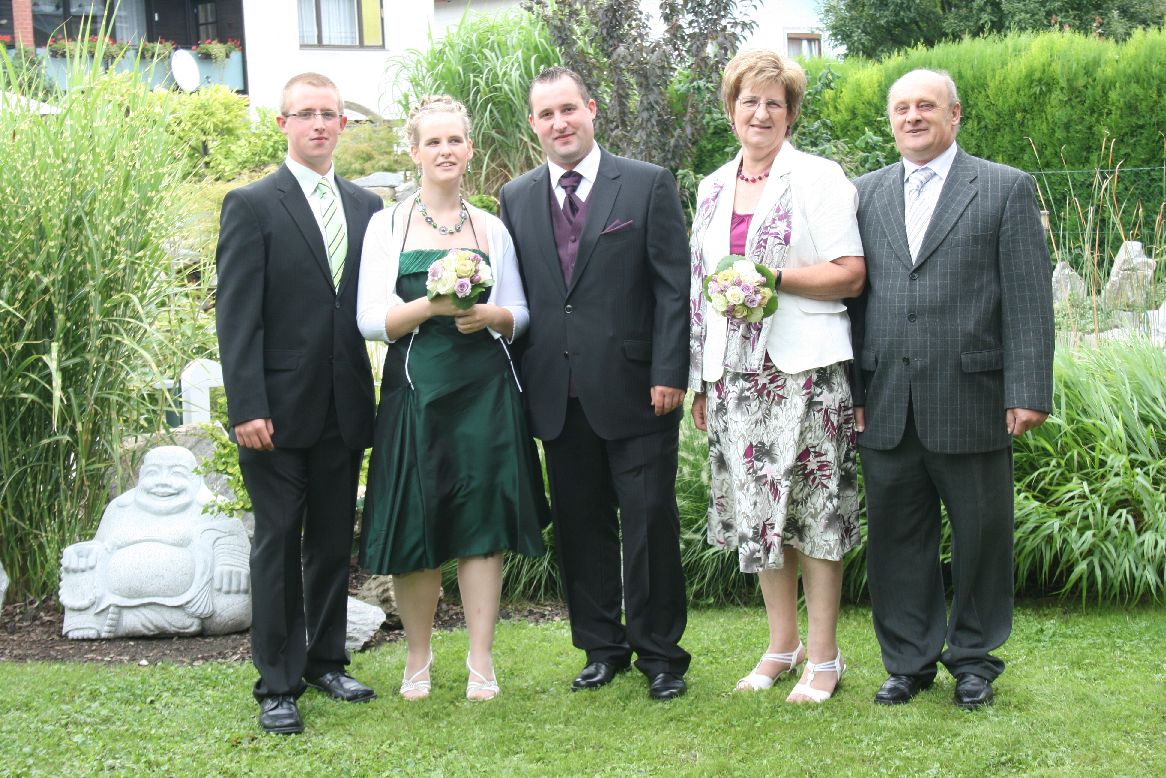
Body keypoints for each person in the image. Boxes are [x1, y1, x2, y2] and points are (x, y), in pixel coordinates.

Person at [850, 69, 1054, 709]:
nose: (913, 117)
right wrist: (853, 390)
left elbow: (1028, 298)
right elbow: (853, 304)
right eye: (902, 108)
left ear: (955, 114)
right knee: (896, 541)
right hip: (886, 400)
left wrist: (1028, 389)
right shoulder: (863, 194)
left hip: (973, 397)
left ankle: (973, 662)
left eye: (926, 106)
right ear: (891, 120)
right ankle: (907, 663)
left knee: (982, 539)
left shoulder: (1003, 188)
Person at [499, 67, 691, 701]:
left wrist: (669, 372)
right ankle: (601, 648)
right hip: (557, 392)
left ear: (591, 109)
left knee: (650, 522)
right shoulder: (515, 197)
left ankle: (660, 654)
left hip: (638, 389)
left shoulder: (645, 183)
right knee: (580, 526)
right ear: (534, 124)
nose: (560, 123)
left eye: (569, 109)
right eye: (546, 114)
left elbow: (673, 288)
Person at [687, 50, 866, 703]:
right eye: (749, 100)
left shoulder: (818, 177)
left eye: (773, 102)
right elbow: (699, 288)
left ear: (790, 114)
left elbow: (850, 273)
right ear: (731, 109)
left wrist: (775, 279)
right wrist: (700, 377)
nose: (760, 113)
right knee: (760, 514)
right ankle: (780, 645)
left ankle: (823, 656)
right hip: (734, 376)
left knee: (815, 514)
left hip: (804, 373)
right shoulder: (711, 187)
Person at [356, 96, 547, 702]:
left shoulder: (491, 227)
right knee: (418, 523)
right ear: (414, 151)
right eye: (433, 142)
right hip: (417, 392)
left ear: (469, 149)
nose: (445, 151)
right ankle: (418, 658)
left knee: (481, 523)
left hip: (485, 392)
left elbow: (520, 312)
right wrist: (430, 306)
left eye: (455, 141)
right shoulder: (387, 225)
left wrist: (492, 315)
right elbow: (370, 319)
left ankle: (481, 660)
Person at [215, 72, 383, 734]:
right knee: (279, 542)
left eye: (329, 113)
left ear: (343, 123)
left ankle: (326, 661)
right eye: (305, 113)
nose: (318, 123)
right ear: (283, 123)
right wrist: (246, 405)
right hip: (275, 412)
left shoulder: (368, 206)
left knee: (333, 542)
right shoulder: (252, 204)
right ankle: (278, 683)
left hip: (344, 405)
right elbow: (237, 317)